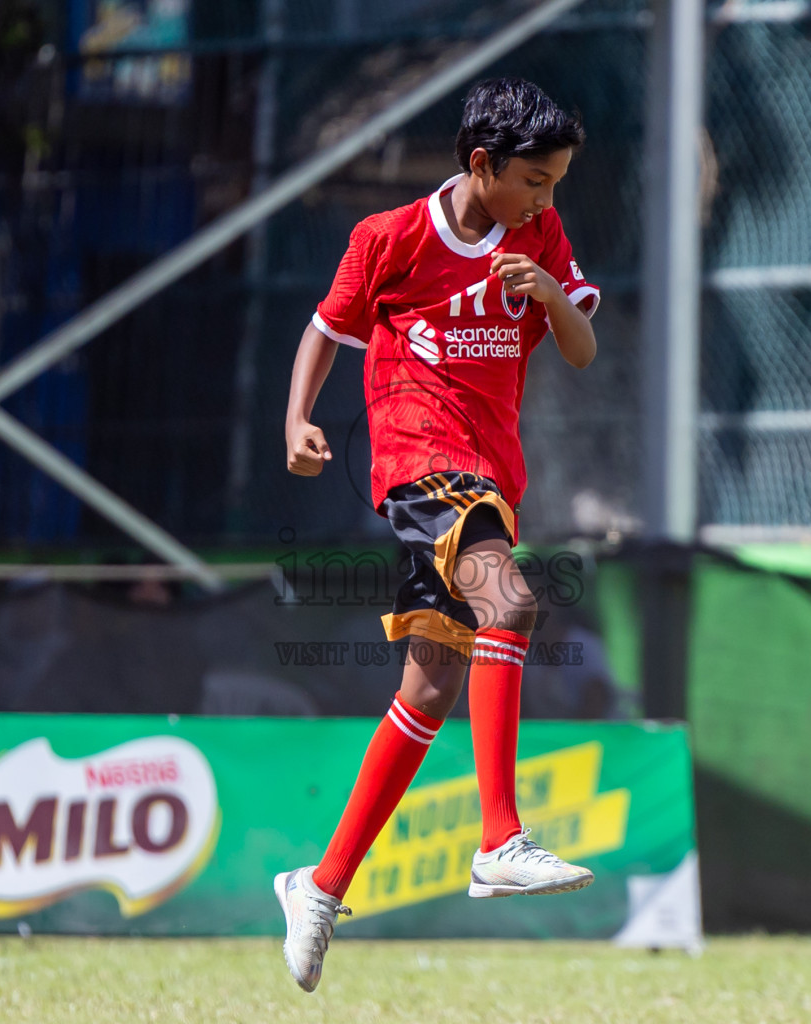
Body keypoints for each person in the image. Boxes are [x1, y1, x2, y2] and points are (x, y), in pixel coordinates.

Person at [274, 78, 600, 992]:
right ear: (481, 164)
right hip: (419, 458)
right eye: (536, 181)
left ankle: (319, 884)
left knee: (431, 683)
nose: (547, 200)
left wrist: (548, 291)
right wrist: (298, 419)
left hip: (491, 471)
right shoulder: (388, 238)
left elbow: (579, 348)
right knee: (514, 598)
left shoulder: (538, 237)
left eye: (558, 183)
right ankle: (499, 837)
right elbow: (324, 330)